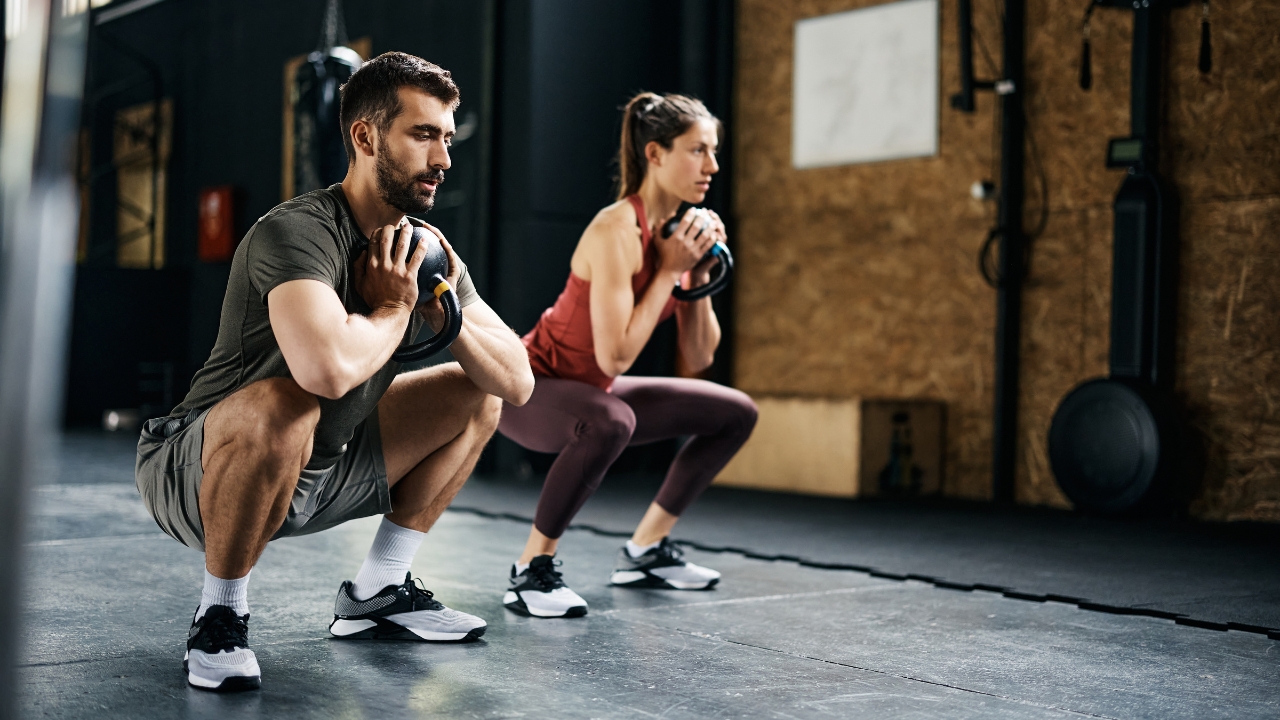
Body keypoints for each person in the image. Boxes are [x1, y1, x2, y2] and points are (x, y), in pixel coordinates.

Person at [135, 52, 533, 692]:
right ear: (366, 136)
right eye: (423, 135)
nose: (444, 160)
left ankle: (379, 591)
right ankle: (221, 614)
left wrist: (441, 310)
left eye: (447, 138)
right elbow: (326, 372)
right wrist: (398, 306)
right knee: (285, 404)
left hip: (322, 469)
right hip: (198, 469)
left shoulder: (423, 249)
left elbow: (518, 382)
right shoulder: (296, 233)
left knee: (477, 394)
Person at [496, 92, 758, 618]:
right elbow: (615, 356)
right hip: (527, 389)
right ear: (656, 154)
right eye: (698, 150)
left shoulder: (678, 237)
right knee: (612, 420)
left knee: (734, 413)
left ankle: (645, 552)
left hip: (593, 394)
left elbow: (699, 354)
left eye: (713, 151)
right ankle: (530, 573)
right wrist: (667, 272)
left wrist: (697, 278)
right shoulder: (616, 228)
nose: (713, 166)